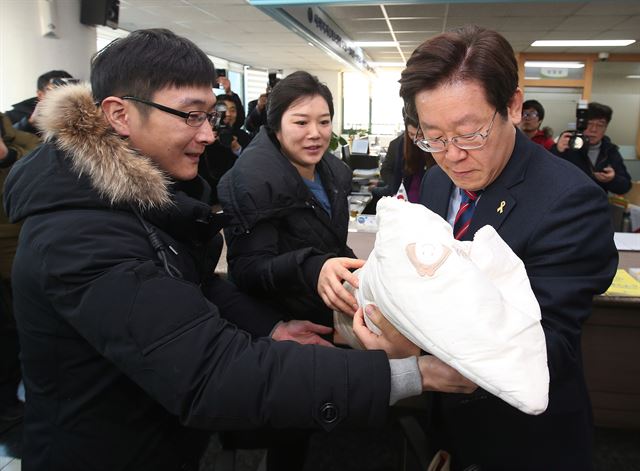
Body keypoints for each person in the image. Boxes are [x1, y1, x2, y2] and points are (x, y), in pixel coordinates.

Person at [3, 29, 474, 471]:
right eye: (190, 115)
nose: (208, 134)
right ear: (119, 114)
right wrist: (410, 376)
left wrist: (269, 326)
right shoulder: (79, 234)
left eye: (209, 115)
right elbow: (212, 373)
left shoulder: (132, 198)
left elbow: (191, 283)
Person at [357, 25, 618, 471]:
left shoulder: (570, 201)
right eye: (433, 136)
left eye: (470, 132)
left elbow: (541, 348)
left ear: (513, 106)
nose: (452, 154)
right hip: (449, 423)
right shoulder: (438, 180)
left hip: (522, 437)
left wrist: (410, 354)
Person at [218, 71, 363, 329]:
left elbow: (330, 243)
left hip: (327, 311)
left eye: (324, 122)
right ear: (276, 126)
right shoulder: (252, 182)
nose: (316, 133)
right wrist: (313, 268)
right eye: (301, 123)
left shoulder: (333, 173)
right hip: (283, 325)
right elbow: (248, 270)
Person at [0, 112, 40, 422]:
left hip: (15, 251)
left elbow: (34, 168)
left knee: (16, 331)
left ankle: (9, 399)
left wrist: (6, 157)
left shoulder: (21, 139)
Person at [551, 102, 632, 195]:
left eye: (600, 125)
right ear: (580, 124)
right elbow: (547, 176)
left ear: (606, 127)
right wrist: (557, 151)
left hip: (597, 205)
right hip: (567, 203)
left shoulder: (610, 150)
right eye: (589, 123)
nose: (593, 129)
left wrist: (612, 179)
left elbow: (626, 186)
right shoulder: (568, 146)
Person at [370, 111, 435, 203]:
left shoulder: (434, 145)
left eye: (420, 135)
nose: (415, 139)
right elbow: (385, 170)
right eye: (411, 134)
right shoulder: (397, 145)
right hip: (403, 196)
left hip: (428, 197)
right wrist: (396, 185)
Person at [198, 94, 251, 204]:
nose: (228, 114)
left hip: (237, 196)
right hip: (209, 199)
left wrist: (237, 149)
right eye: (222, 110)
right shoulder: (201, 136)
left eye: (232, 110)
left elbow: (252, 165)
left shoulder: (243, 137)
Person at [4, 69, 75, 136]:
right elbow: (5, 142)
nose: (62, 96)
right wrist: (30, 122)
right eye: (55, 90)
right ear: (40, 95)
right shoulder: (10, 117)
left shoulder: (77, 114)